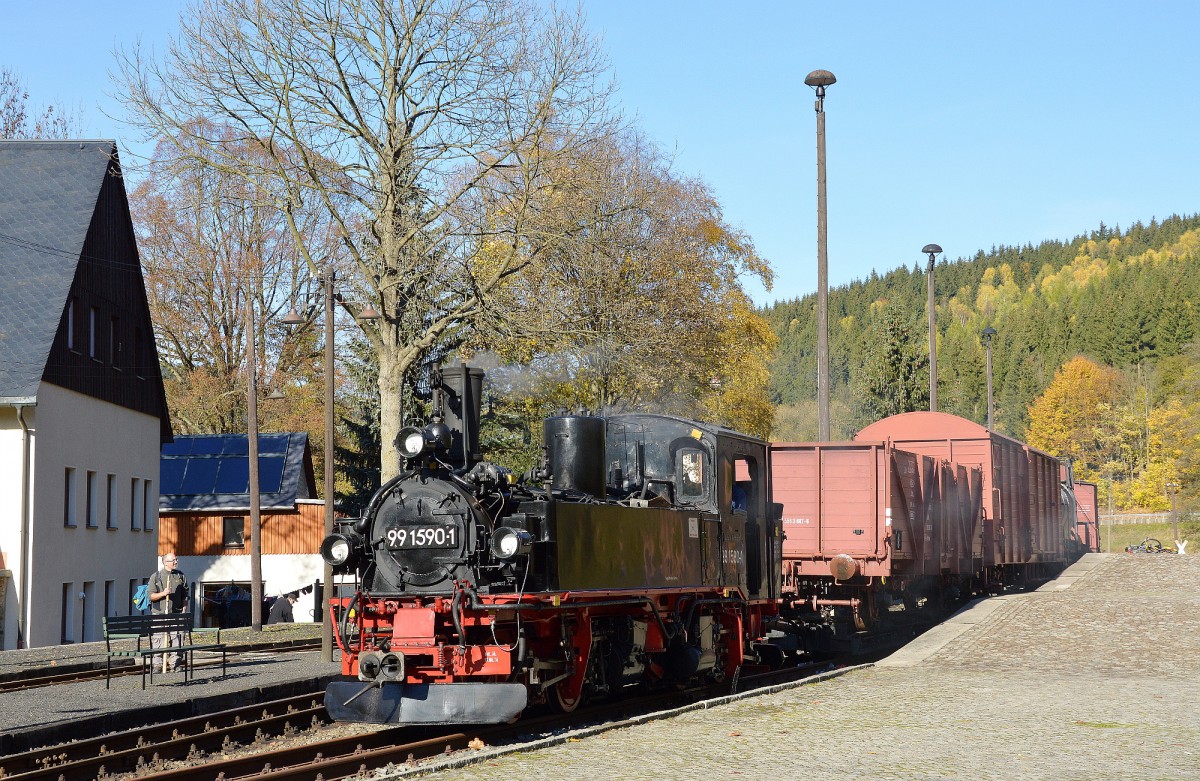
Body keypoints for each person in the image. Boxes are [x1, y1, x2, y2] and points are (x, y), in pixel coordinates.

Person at [148, 553, 189, 671]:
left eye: (176, 559)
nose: (176, 562)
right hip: (159, 613)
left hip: (176, 613)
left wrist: (184, 609)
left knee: (177, 638)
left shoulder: (180, 576)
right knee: (158, 639)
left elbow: (185, 595)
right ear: (165, 562)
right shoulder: (156, 577)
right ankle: (157, 665)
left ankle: (175, 663)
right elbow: (151, 596)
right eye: (173, 560)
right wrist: (163, 593)